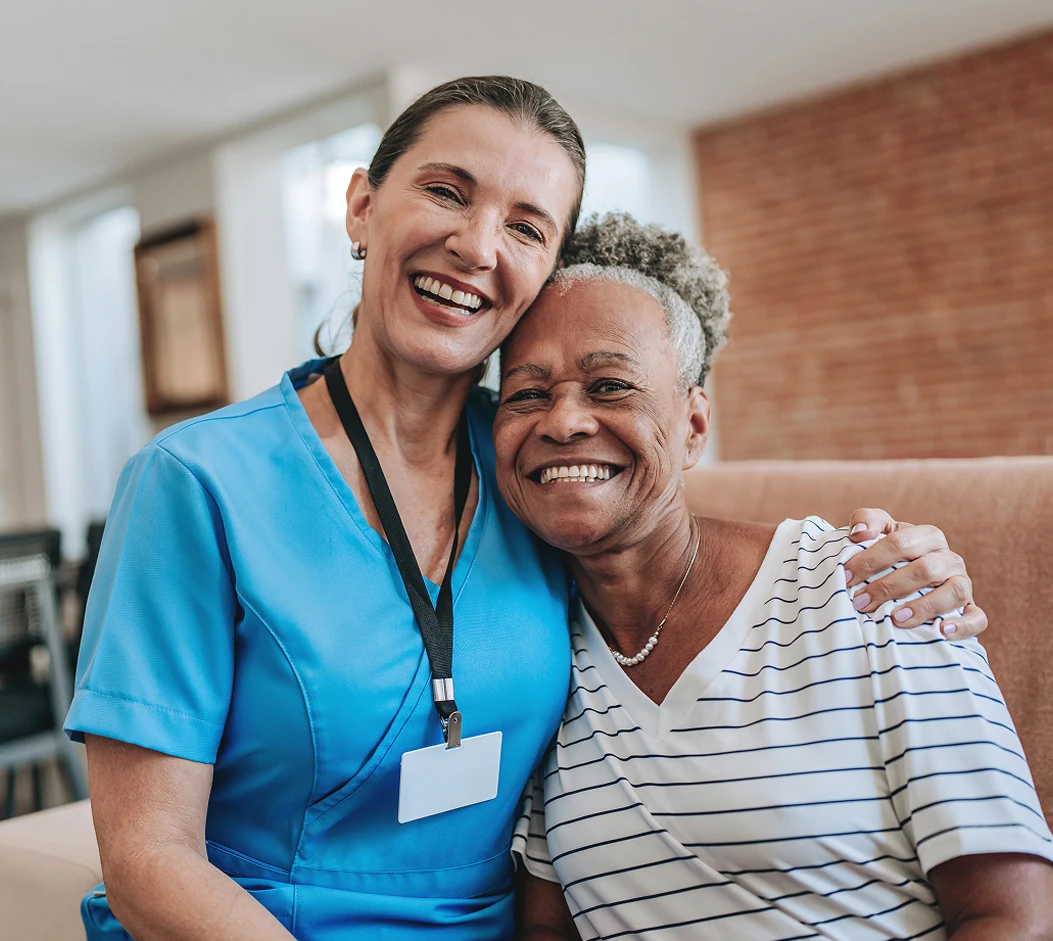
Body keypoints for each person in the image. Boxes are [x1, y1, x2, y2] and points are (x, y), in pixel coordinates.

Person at [65, 78, 988, 941]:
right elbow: (148, 857)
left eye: (525, 225)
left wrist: (896, 561)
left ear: (542, 272)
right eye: (446, 190)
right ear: (361, 207)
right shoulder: (197, 479)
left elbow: (684, 552)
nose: (477, 244)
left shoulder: (540, 468)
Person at [502, 214, 1053, 940]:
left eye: (608, 385)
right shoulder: (530, 650)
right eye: (526, 393)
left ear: (694, 424)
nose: (564, 420)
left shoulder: (870, 584)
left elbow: (1010, 914)